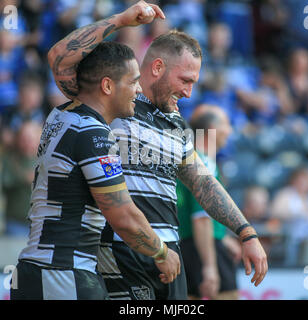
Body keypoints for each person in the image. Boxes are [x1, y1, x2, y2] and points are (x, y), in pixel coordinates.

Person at [53, 2, 268, 300]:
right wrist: (120, 21)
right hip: (121, 254)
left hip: (171, 259)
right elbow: (60, 60)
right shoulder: (112, 99)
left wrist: (246, 232)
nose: (189, 92)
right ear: (157, 67)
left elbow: (202, 182)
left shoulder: (177, 123)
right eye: (185, 80)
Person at [10, 1, 181, 300]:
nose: (139, 90)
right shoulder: (93, 133)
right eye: (133, 82)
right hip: (65, 275)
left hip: (32, 272)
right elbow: (122, 214)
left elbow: (58, 57)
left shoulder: (60, 114)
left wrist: (121, 20)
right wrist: (161, 251)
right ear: (107, 86)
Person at [177, 104, 241, 300]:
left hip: (186, 246)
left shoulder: (189, 160)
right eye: (227, 124)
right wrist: (210, 267)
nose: (230, 130)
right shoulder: (203, 163)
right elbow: (201, 218)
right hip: (202, 248)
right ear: (211, 129)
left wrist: (222, 237)